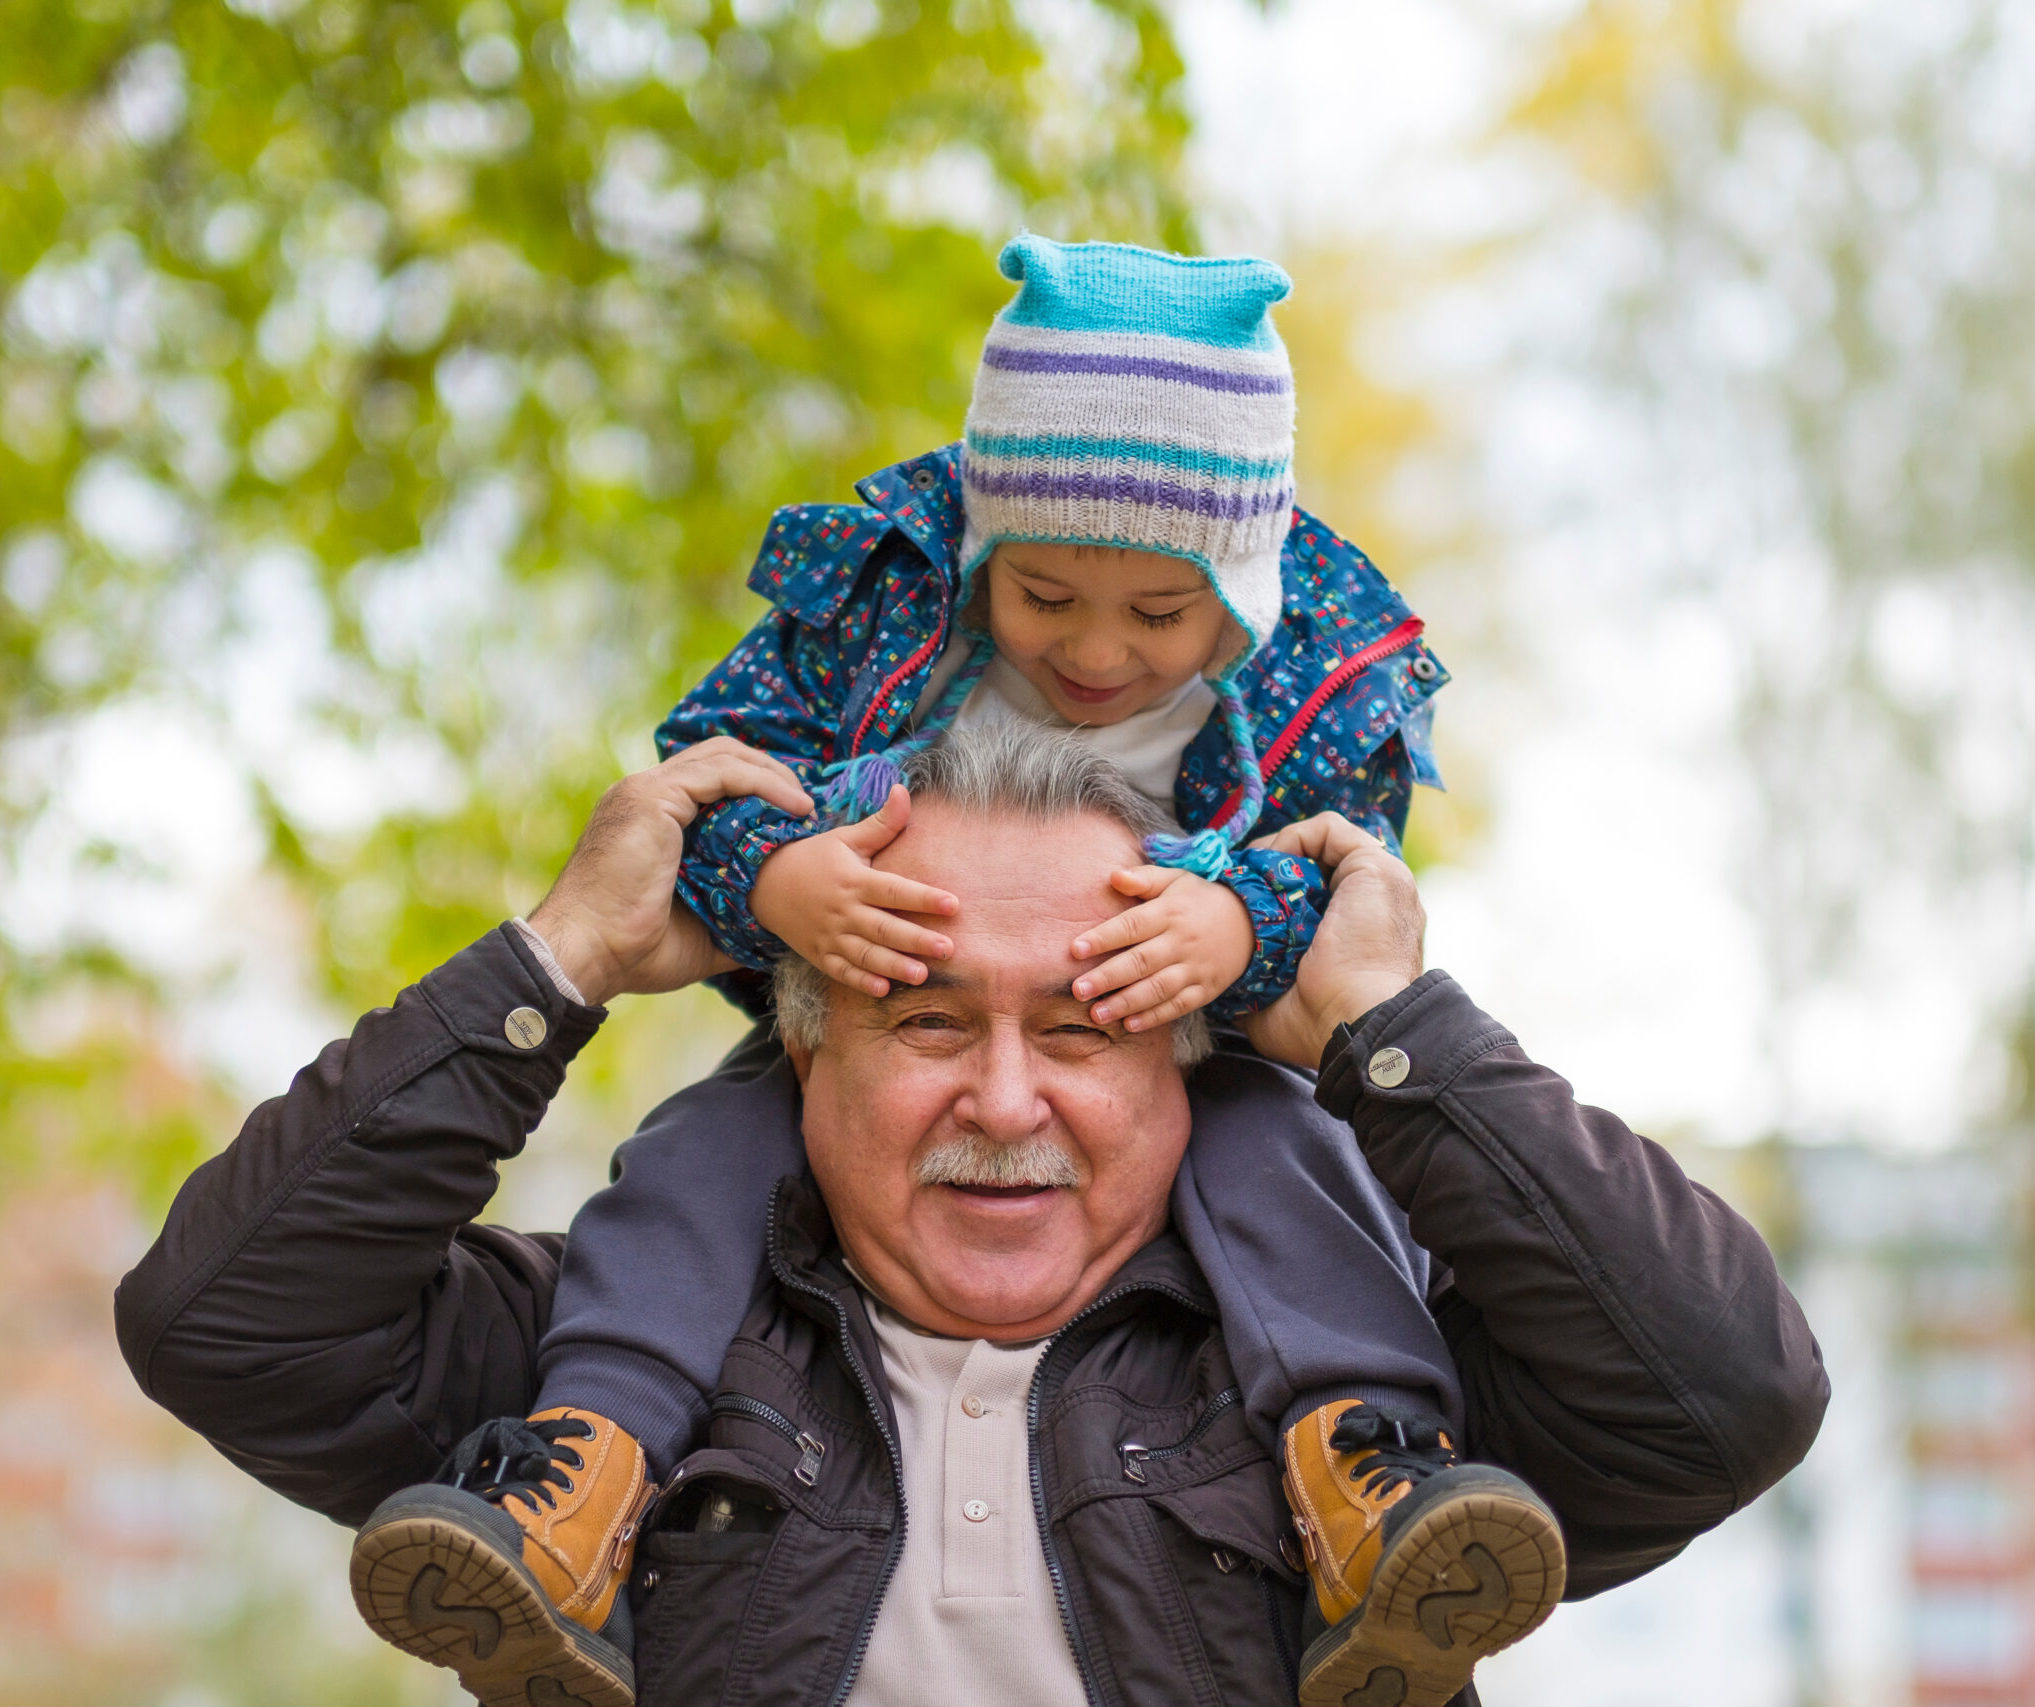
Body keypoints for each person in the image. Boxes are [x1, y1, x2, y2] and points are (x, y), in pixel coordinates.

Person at [115, 726, 1829, 1707]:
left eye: (1083, 1030)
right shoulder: (603, 1374)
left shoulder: (1376, 1410)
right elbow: (225, 1321)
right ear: (801, 1058)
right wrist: (554, 966)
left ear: (1191, 1070)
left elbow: (1725, 1393)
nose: (1006, 1103)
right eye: (928, 1021)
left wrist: (1391, 1037)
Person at [433, 235, 1486, 1701]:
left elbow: (1342, 873)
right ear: (988, 554)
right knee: (688, 1164)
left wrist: (1241, 923)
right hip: (874, 1018)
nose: (1099, 652)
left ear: (1238, 598)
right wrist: (781, 876)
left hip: (1179, 1055)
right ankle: (590, 1470)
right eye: (1045, 600)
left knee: (1295, 1175)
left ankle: (1370, 1478)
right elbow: (719, 769)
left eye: (1159, 617)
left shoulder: (1307, 672)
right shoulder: (884, 608)